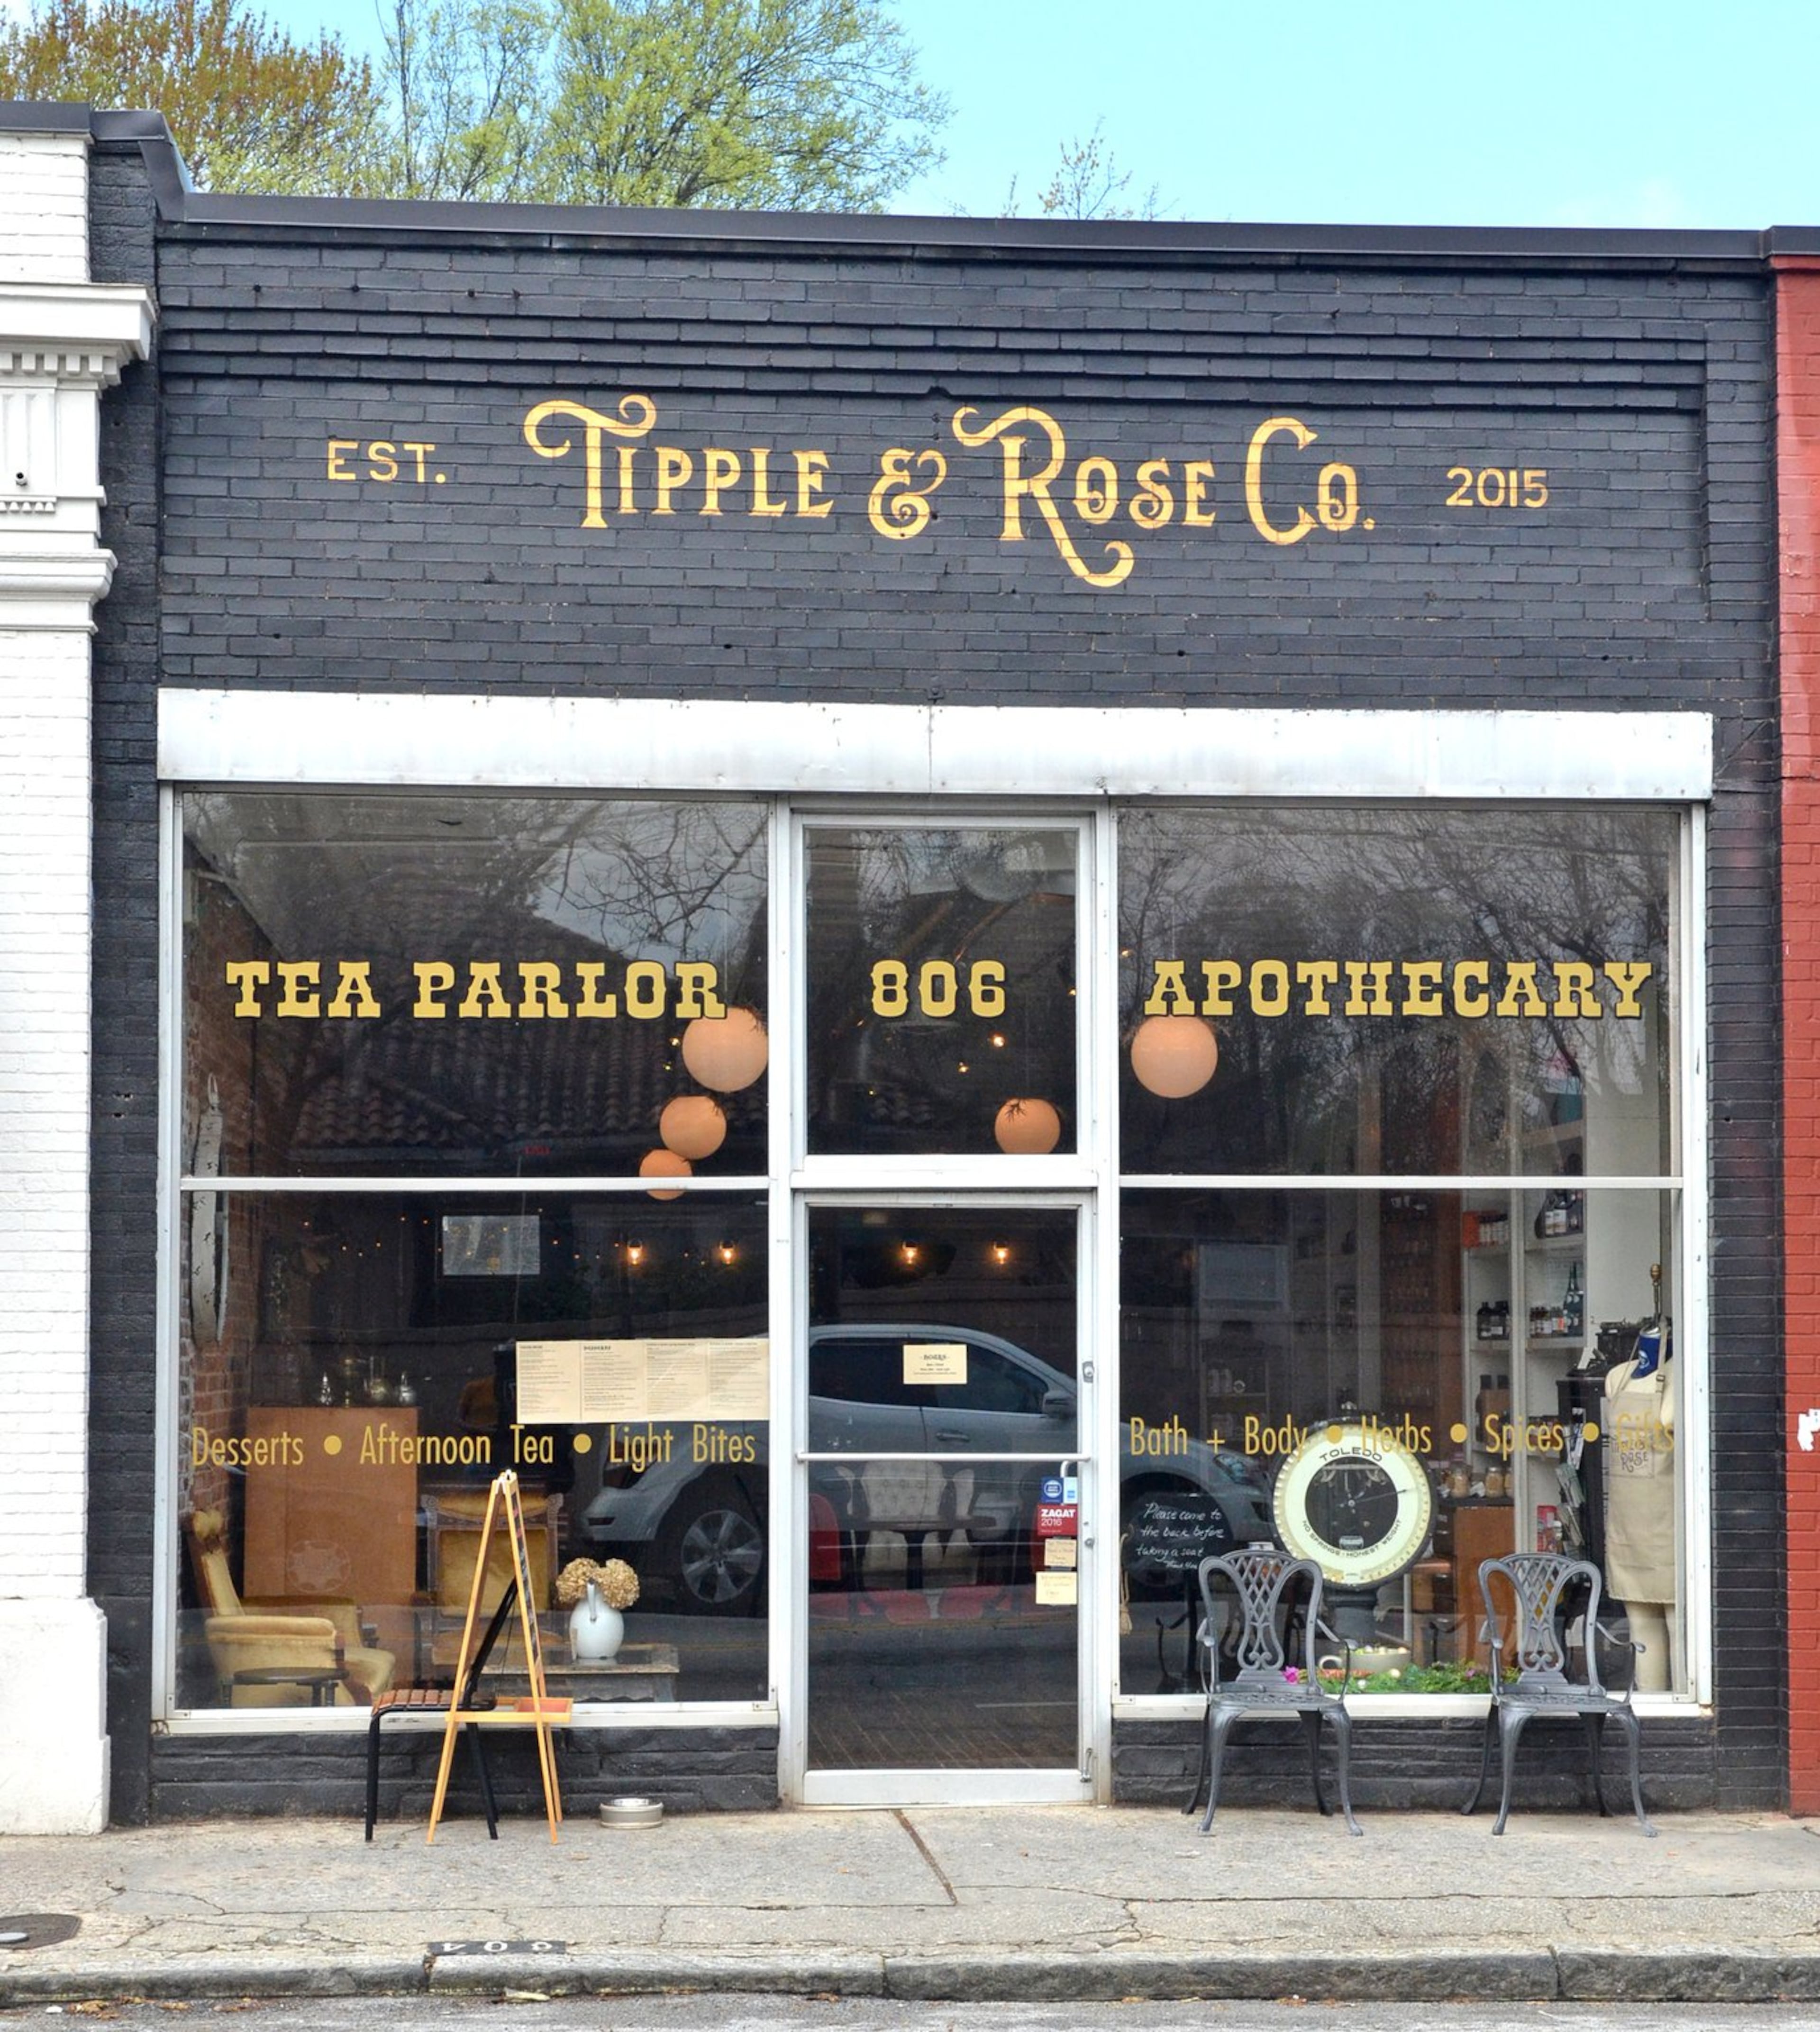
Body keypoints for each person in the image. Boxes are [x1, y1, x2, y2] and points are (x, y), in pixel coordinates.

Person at [1602, 1320, 1675, 1692]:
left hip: (1667, 1527)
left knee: (1679, 1627)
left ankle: (1680, 1700)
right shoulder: (1618, 1375)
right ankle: (1651, 1706)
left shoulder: (1680, 1374)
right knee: (1641, 1629)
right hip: (1627, 1526)